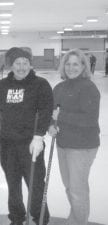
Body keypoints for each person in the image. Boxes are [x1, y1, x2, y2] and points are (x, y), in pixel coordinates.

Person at [0, 47, 53, 225]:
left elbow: (45, 111)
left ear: (30, 64)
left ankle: (41, 217)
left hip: (30, 144)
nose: (21, 67)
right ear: (11, 66)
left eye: (25, 63)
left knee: (35, 183)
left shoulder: (40, 84)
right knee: (13, 184)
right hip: (7, 144)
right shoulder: (2, 85)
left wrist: (38, 136)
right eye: (17, 63)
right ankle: (17, 217)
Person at [48, 49, 100, 225]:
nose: (71, 68)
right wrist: (50, 126)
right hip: (63, 143)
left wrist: (60, 116)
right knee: (70, 187)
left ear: (83, 66)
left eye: (75, 64)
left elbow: (89, 119)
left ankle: (79, 222)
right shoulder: (59, 88)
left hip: (82, 146)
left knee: (77, 190)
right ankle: (75, 218)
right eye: (68, 64)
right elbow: (52, 113)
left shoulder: (88, 87)